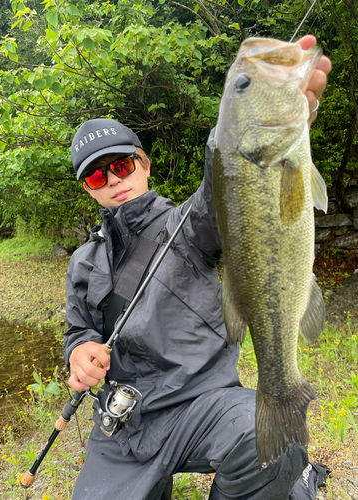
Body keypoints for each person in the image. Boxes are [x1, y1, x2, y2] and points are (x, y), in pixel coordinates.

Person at [64, 35, 331, 500]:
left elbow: (227, 176)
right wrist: (80, 353)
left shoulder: (189, 222)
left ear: (143, 164)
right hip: (126, 424)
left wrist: (261, 114)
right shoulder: (83, 263)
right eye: (95, 175)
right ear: (88, 189)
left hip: (203, 403)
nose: (112, 180)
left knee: (276, 449)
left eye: (122, 164)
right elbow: (78, 331)